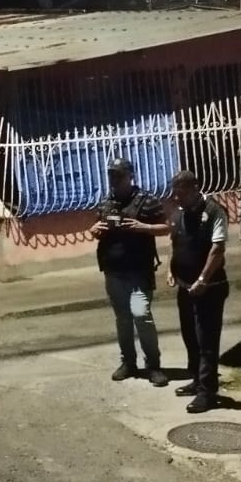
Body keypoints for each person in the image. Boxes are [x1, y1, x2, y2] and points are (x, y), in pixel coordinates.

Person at [90, 158, 171, 386]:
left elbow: (166, 227)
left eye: (119, 175)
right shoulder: (105, 202)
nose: (114, 180)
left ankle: (153, 366)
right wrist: (94, 230)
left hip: (138, 272)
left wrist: (144, 227)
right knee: (123, 319)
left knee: (141, 316)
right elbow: (96, 229)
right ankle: (128, 363)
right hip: (114, 272)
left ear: (130, 176)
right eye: (111, 175)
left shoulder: (146, 200)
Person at [166, 171, 230, 414]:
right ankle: (196, 378)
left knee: (206, 341)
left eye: (181, 193)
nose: (177, 198)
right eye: (175, 193)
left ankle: (207, 391)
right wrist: (171, 270)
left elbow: (217, 249)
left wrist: (203, 279)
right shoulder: (179, 213)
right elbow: (174, 243)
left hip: (209, 289)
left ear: (194, 189)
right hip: (185, 287)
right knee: (190, 336)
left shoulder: (214, 212)